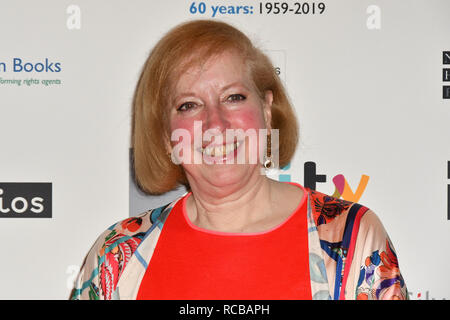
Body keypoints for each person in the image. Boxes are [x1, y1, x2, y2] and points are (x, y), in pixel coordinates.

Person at [71, 19, 407, 300]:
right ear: (164, 134)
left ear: (265, 109)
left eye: (233, 97)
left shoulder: (352, 236)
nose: (216, 124)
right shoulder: (117, 254)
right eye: (188, 105)